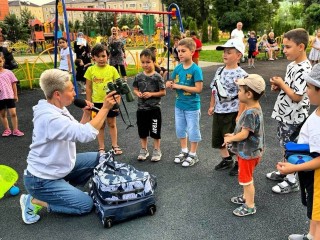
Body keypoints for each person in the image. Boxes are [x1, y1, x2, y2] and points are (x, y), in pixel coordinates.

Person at [20, 69, 119, 224]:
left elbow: (75, 131)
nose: (75, 93)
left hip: (59, 168)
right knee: (86, 205)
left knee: (101, 159)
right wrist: (105, 108)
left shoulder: (56, 108)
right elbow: (85, 134)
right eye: (71, 90)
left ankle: (64, 190)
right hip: (41, 180)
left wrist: (86, 115)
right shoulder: (50, 118)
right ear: (57, 94)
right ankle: (34, 201)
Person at [276, 64, 320, 240]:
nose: (306, 91)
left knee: (318, 209)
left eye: (309, 87)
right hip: (312, 171)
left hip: (317, 175)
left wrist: (292, 169)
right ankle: (310, 235)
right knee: (314, 208)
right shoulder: (317, 111)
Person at [266, 28, 312, 194]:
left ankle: (291, 180)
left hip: (294, 117)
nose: (283, 50)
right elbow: (290, 89)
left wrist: (282, 84)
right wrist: (279, 86)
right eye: (283, 47)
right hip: (285, 114)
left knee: (291, 147)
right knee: (285, 145)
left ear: (301, 46)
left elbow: (297, 97)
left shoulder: (304, 69)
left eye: (287, 47)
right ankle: (285, 170)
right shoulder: (292, 65)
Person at [223, 74, 265, 217]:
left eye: (240, 90)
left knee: (246, 180)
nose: (238, 93)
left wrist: (231, 138)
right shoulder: (254, 108)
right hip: (251, 151)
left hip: (248, 153)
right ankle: (246, 198)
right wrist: (233, 136)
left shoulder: (250, 113)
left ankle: (250, 205)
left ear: (248, 94)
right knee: (246, 178)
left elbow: (244, 134)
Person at [208, 38, 248, 176]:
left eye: (229, 52)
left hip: (233, 111)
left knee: (232, 139)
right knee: (219, 137)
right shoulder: (220, 70)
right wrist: (212, 105)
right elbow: (214, 89)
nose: (225, 54)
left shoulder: (241, 74)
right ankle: (226, 159)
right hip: (219, 111)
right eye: (224, 52)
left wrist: (239, 115)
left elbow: (244, 96)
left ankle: (239, 162)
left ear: (238, 55)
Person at [165, 37, 203, 167]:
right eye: (178, 51)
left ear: (192, 52)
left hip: (192, 106)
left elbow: (198, 89)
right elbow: (173, 82)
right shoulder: (177, 68)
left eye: (183, 51)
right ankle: (184, 151)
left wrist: (180, 87)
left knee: (193, 130)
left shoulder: (195, 69)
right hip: (179, 105)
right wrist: (169, 83)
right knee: (180, 129)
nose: (180, 53)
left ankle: (193, 154)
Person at [84, 44, 123, 155]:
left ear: (108, 56)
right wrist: (88, 102)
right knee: (100, 125)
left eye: (103, 56)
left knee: (112, 123)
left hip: (110, 101)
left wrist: (117, 100)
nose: (101, 59)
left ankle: (115, 145)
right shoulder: (90, 70)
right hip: (96, 102)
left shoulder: (112, 69)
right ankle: (101, 147)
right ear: (93, 58)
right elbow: (88, 87)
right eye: (98, 56)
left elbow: (118, 86)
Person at [132, 49, 166, 161]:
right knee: (142, 131)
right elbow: (135, 89)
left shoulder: (157, 77)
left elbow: (163, 92)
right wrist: (138, 93)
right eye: (143, 62)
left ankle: (157, 150)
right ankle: (144, 149)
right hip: (141, 109)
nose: (145, 65)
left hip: (154, 109)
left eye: (148, 62)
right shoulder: (138, 76)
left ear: (153, 62)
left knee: (155, 130)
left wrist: (151, 94)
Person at [0, 56, 24, 137]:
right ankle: (7, 129)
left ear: (3, 61)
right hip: (0, 98)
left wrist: (15, 95)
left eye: (0, 61)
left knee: (13, 113)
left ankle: (15, 130)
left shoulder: (9, 72)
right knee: (3, 114)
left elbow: (14, 84)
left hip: (9, 95)